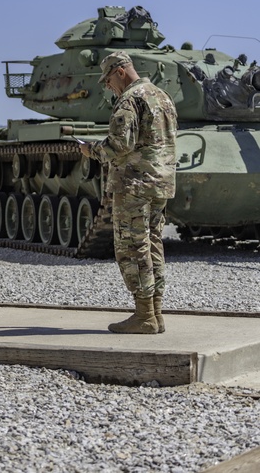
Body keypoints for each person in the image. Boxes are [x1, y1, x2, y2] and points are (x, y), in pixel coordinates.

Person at [79, 50, 177, 334]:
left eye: (108, 79)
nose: (108, 86)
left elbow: (118, 145)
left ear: (120, 71)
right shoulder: (162, 96)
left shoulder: (130, 99)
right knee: (153, 243)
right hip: (161, 182)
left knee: (132, 247)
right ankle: (155, 313)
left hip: (134, 184)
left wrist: (91, 150)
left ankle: (144, 315)